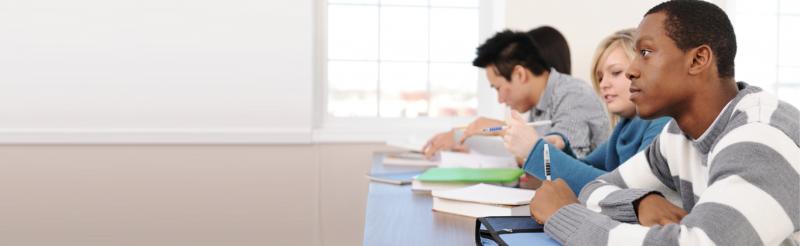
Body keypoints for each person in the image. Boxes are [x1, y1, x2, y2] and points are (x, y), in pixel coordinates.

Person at [529, 1, 800, 245]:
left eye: (645, 52)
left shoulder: (760, 136)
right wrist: (639, 203)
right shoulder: (677, 136)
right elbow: (594, 188)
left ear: (698, 59)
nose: (633, 70)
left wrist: (565, 216)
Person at [502, 29, 670, 193]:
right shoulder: (623, 129)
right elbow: (585, 171)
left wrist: (535, 149)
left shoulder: (662, 125)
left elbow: (625, 194)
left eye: (616, 72)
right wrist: (562, 147)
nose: (604, 84)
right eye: (600, 77)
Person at [422, 27, 609, 160]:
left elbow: (562, 163)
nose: (500, 99)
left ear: (520, 74)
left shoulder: (573, 95)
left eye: (498, 88)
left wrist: (502, 129)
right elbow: (526, 155)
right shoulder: (539, 104)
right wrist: (463, 137)